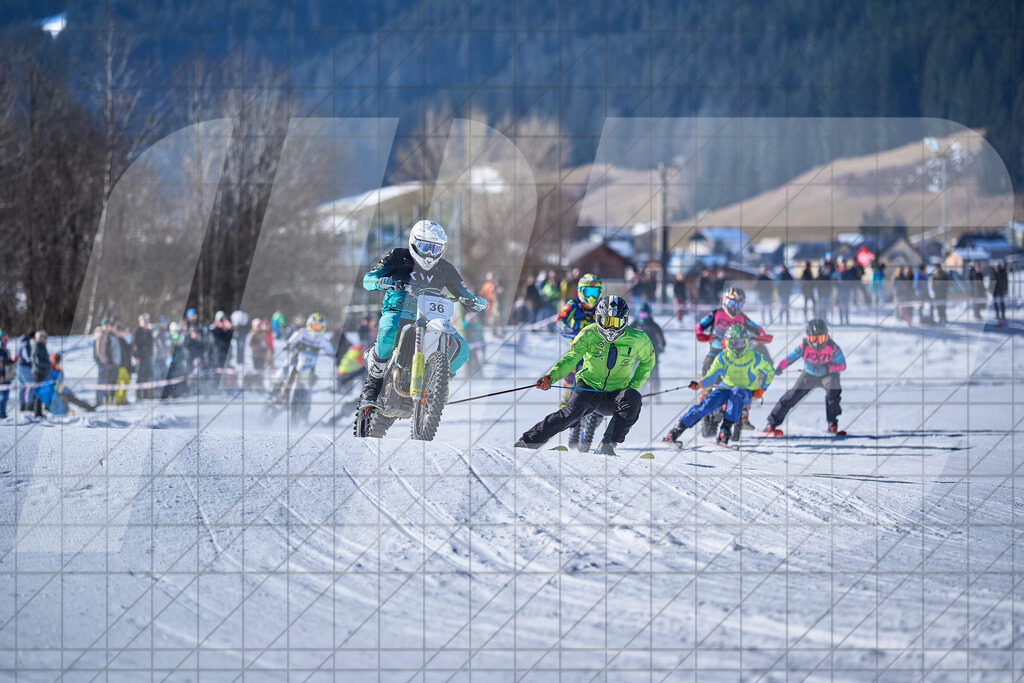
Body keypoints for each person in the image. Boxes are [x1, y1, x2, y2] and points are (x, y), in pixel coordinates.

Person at [359, 220, 488, 403]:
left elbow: (464, 292)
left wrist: (474, 300)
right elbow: (369, 278)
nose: (428, 254)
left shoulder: (446, 268)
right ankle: (374, 379)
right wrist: (379, 281)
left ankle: (437, 381)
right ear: (413, 242)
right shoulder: (398, 256)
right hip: (399, 311)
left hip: (430, 319)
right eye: (425, 247)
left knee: (462, 350)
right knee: (388, 331)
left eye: (434, 249)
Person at [514, 296, 655, 456]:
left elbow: (648, 361)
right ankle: (527, 442)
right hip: (589, 387)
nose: (611, 328)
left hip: (615, 395)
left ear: (625, 321)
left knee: (633, 398)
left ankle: (607, 444)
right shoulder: (588, 333)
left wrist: (632, 386)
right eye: (607, 321)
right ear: (598, 318)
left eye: (616, 323)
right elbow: (570, 358)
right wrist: (551, 377)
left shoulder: (638, 338)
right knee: (568, 416)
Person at [663, 325, 775, 448]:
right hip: (725, 388)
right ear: (727, 342)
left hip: (745, 392)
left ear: (746, 342)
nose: (737, 346)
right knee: (707, 404)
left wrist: (762, 389)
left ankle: (724, 432)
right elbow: (711, 377)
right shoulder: (723, 356)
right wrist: (700, 384)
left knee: (736, 394)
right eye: (734, 343)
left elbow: (770, 372)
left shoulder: (754, 357)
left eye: (741, 342)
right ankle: (676, 431)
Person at [694, 287, 770, 430]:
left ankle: (744, 415)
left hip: (736, 353)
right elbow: (700, 325)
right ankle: (702, 402)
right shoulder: (716, 314)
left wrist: (760, 336)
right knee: (707, 372)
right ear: (725, 301)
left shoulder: (742, 318)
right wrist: (700, 333)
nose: (736, 308)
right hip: (715, 351)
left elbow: (757, 328)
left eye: (739, 305)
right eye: (733, 304)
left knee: (746, 380)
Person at [761, 318, 847, 436]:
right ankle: (771, 423)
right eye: (814, 339)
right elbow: (790, 358)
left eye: (821, 338)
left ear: (826, 336)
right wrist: (780, 367)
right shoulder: (804, 347)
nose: (817, 342)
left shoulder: (833, 348)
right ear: (808, 337)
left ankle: (832, 423)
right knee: (791, 396)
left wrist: (827, 368)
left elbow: (842, 365)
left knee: (833, 390)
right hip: (809, 375)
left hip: (827, 375)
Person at [555, 273, 604, 449]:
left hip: (598, 354)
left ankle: (596, 416)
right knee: (570, 386)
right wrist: (566, 328)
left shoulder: (602, 306)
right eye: (588, 291)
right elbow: (560, 318)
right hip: (576, 353)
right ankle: (568, 414)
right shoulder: (573, 304)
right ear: (580, 291)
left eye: (595, 291)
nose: (591, 297)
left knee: (605, 386)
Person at [133, 314, 155, 399]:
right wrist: (136, 357)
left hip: (148, 357)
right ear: (140, 322)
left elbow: (151, 344)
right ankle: (139, 395)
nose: (147, 323)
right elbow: (134, 346)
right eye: (145, 321)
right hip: (140, 358)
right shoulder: (137, 332)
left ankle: (146, 395)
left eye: (148, 321)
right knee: (140, 377)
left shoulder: (149, 332)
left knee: (148, 376)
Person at [29, 331, 51, 418]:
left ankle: (39, 411)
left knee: (41, 393)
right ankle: (37, 412)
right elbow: (37, 361)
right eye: (45, 338)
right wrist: (48, 364)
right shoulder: (37, 345)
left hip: (42, 373)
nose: (46, 340)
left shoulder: (42, 345)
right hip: (38, 373)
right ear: (41, 338)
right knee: (39, 393)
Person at [92, 318, 113, 406]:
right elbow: (102, 350)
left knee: (103, 381)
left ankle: (101, 400)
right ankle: (99, 401)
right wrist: (106, 361)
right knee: (102, 381)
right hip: (103, 362)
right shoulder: (102, 335)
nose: (108, 327)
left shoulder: (101, 334)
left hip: (101, 361)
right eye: (107, 325)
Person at [17, 328, 34, 411]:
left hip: (19, 367)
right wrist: (33, 363)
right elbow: (28, 357)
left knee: (22, 387)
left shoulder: (21, 341)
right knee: (31, 385)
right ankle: (29, 405)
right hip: (25, 367)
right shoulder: (26, 343)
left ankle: (22, 405)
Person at [0, 330, 12, 418]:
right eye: (4, 338)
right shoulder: (1, 349)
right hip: (2, 376)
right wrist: (1, 374)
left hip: (7, 375)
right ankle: (1, 414)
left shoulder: (5, 349)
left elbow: (6, 361)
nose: (6, 340)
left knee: (5, 396)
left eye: (7, 338)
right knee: (2, 396)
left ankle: (3, 414)